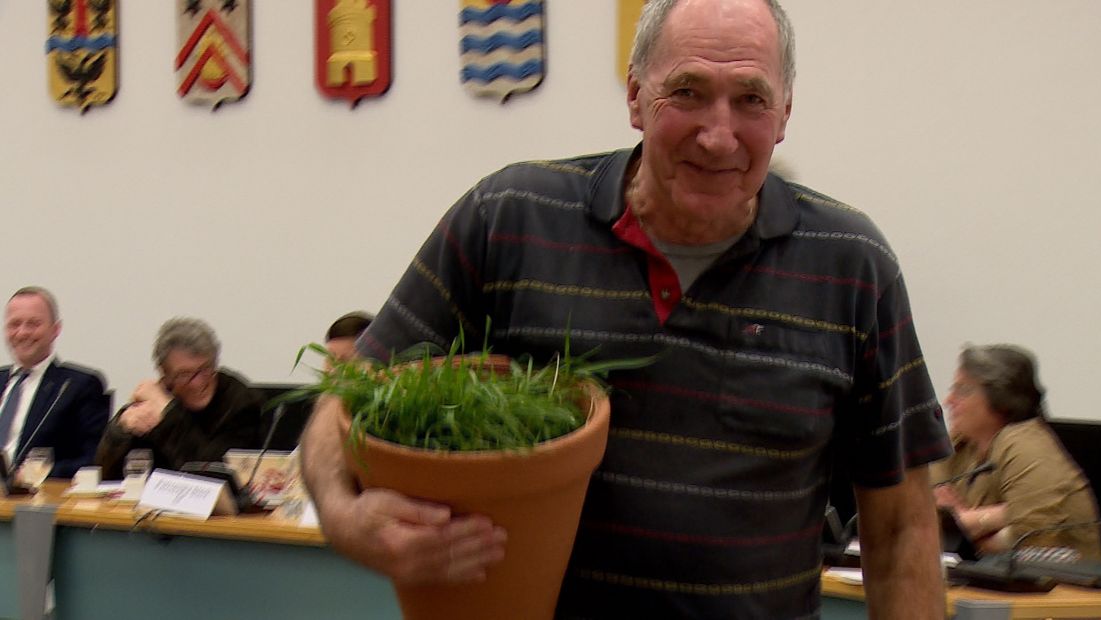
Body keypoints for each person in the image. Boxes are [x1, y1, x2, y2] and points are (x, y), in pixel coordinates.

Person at [300, 0, 951, 617]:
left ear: (784, 114)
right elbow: (348, 394)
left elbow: (901, 530)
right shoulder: (510, 220)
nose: (719, 136)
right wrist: (341, 513)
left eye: (750, 99)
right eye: (688, 92)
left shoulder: (850, 265)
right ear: (636, 97)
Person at [932, 345, 1101, 561]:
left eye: (962, 391)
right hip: (988, 581)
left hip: (1065, 586)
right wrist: (995, 518)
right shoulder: (960, 443)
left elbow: (1034, 538)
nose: (948, 401)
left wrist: (963, 522)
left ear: (1001, 398)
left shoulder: (1024, 441)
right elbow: (927, 519)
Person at [95, 317, 264, 479]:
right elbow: (105, 473)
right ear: (164, 373)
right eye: (185, 374)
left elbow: (213, 475)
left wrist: (167, 411)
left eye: (205, 369)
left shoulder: (241, 401)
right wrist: (121, 430)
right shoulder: (156, 395)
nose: (198, 383)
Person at [1, 286, 109, 478]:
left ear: (55, 329)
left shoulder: (79, 386)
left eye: (33, 324)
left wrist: (34, 474)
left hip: (34, 500)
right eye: (14, 324)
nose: (22, 332)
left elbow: (93, 459)